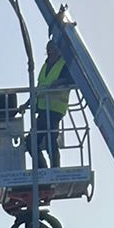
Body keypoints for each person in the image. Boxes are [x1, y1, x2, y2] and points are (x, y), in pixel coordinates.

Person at [31, 39, 70, 171]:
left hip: (55, 109)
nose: (50, 52)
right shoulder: (45, 66)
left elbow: (69, 80)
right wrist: (28, 104)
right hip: (42, 108)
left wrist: (58, 83)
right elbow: (39, 87)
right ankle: (43, 170)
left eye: (53, 49)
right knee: (31, 141)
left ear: (59, 50)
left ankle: (55, 170)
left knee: (50, 140)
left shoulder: (63, 65)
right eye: (49, 50)